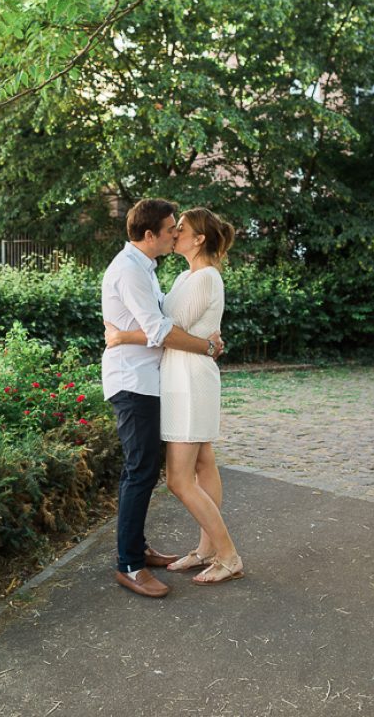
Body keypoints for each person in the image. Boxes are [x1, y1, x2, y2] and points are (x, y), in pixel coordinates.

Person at [105, 207, 243, 585]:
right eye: (172, 228)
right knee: (199, 466)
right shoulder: (181, 275)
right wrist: (207, 344)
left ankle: (226, 555)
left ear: (199, 239)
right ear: (150, 234)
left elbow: (164, 329)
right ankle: (206, 550)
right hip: (174, 376)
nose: (175, 233)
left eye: (182, 229)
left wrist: (121, 336)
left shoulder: (203, 278)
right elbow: (165, 326)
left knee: (182, 477)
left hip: (187, 378)